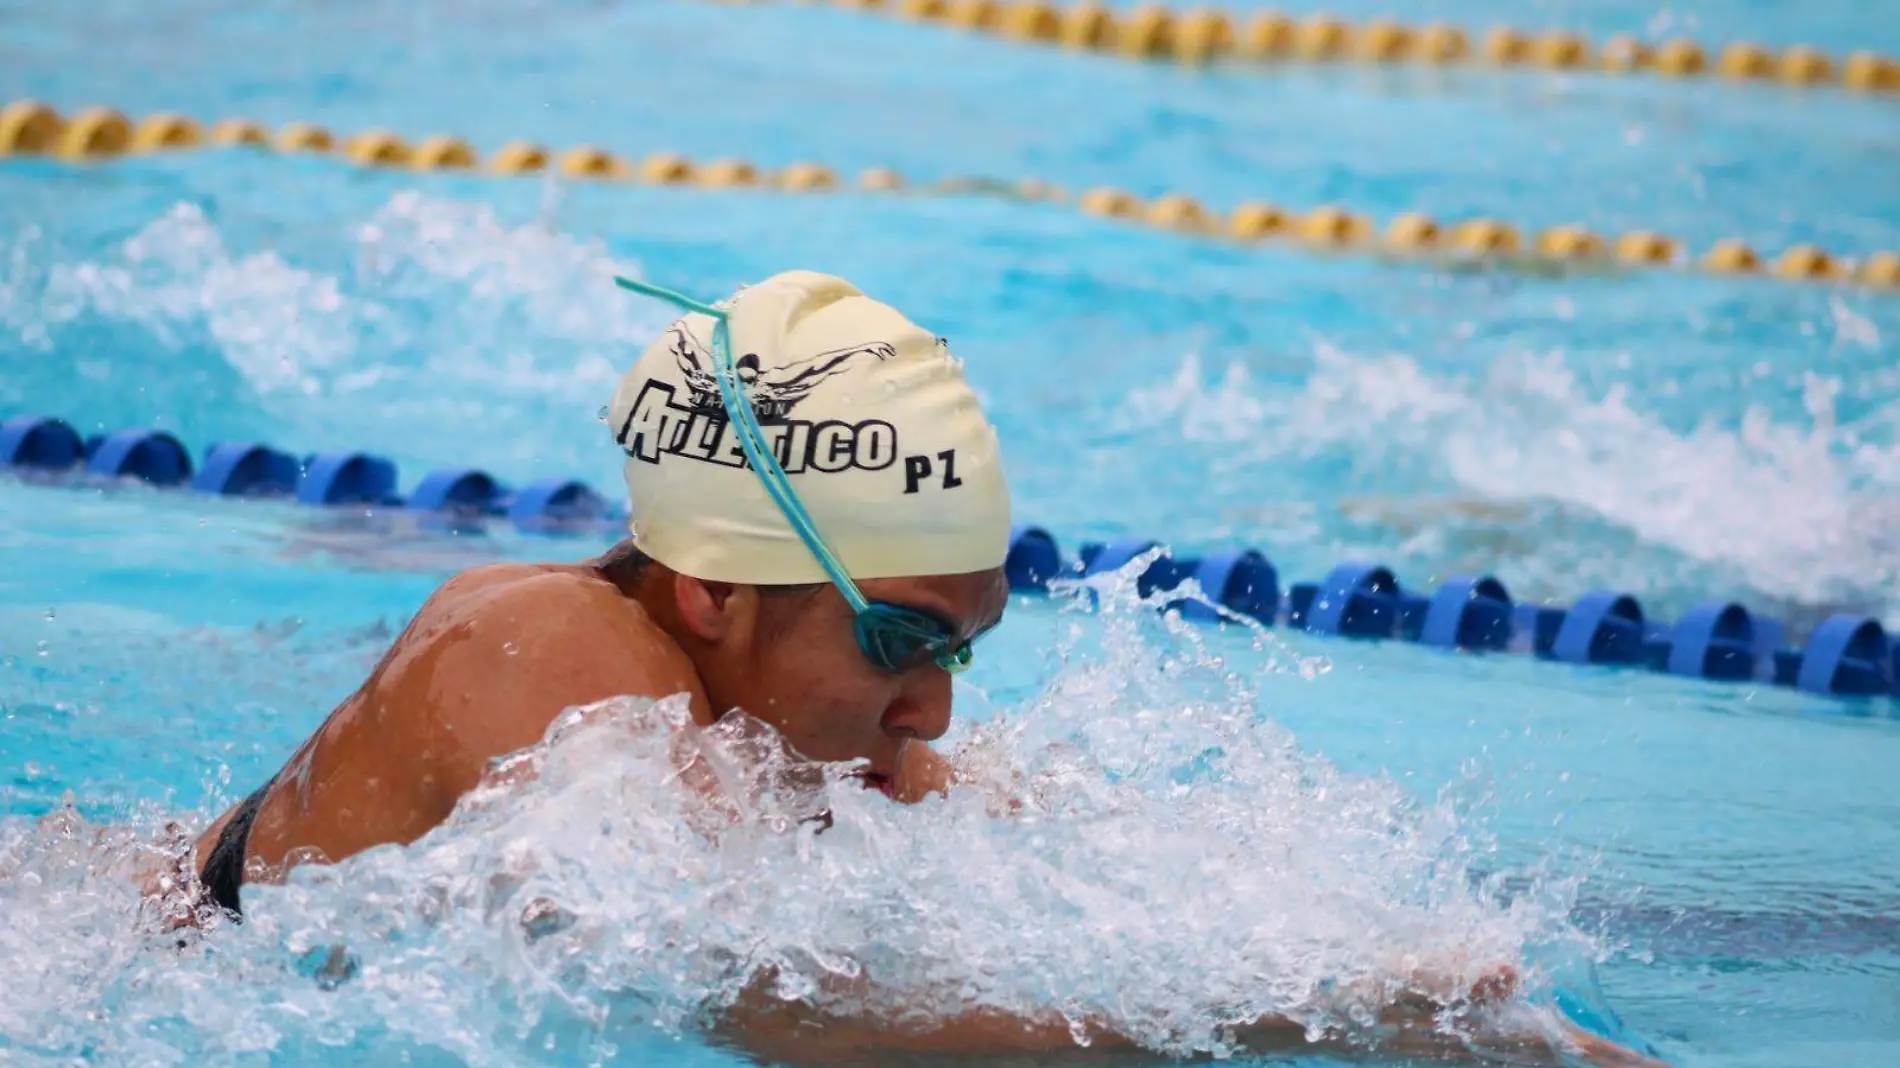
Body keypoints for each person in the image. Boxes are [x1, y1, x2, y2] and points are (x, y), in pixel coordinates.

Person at [183, 269, 1659, 1066]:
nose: (934, 709)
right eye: (899, 641)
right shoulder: (540, 655)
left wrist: (1478, 1021)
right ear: (710, 590)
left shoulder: (782, 719)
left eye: (962, 649)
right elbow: (788, 1027)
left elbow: (1118, 879)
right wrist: (1316, 1029)